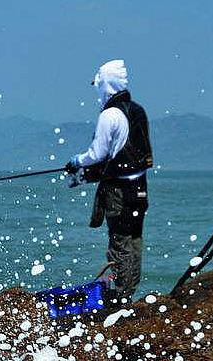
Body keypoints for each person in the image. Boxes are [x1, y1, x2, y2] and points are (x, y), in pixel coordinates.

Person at [65, 59, 153, 303]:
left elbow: (98, 154)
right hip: (139, 189)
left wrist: (76, 162)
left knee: (119, 240)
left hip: (119, 193)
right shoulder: (137, 110)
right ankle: (130, 291)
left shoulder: (110, 115)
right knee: (134, 239)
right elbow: (124, 155)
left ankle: (120, 296)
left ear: (105, 85)